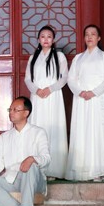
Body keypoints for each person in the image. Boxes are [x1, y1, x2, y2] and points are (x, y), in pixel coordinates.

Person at [66, 24, 104, 181]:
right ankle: (83, 171)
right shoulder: (78, 58)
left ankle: (99, 170)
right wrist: (80, 92)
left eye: (93, 34)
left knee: (98, 131)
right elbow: (71, 79)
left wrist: (93, 92)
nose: (89, 37)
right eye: (87, 34)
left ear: (99, 38)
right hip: (81, 99)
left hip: (98, 98)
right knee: (82, 131)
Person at [24, 25, 69, 179]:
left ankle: (54, 169)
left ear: (53, 40)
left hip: (53, 96)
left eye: (49, 37)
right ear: (38, 39)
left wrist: (50, 89)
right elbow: (28, 79)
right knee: (38, 128)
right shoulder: (33, 58)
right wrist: (37, 90)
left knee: (53, 129)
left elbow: (64, 77)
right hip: (37, 97)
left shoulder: (60, 56)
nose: (46, 39)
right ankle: (37, 170)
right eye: (43, 36)